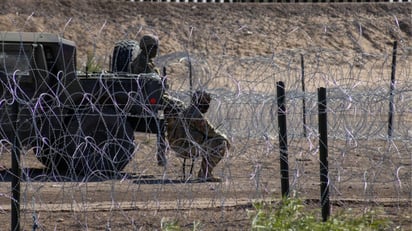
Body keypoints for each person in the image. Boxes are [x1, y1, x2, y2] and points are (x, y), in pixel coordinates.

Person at [164, 90, 230, 181]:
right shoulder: (195, 114)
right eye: (206, 102)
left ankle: (204, 173)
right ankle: (205, 174)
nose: (208, 105)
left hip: (181, 145)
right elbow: (210, 131)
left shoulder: (188, 111)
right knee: (221, 144)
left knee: (213, 141)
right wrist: (225, 138)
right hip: (186, 147)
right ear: (200, 102)